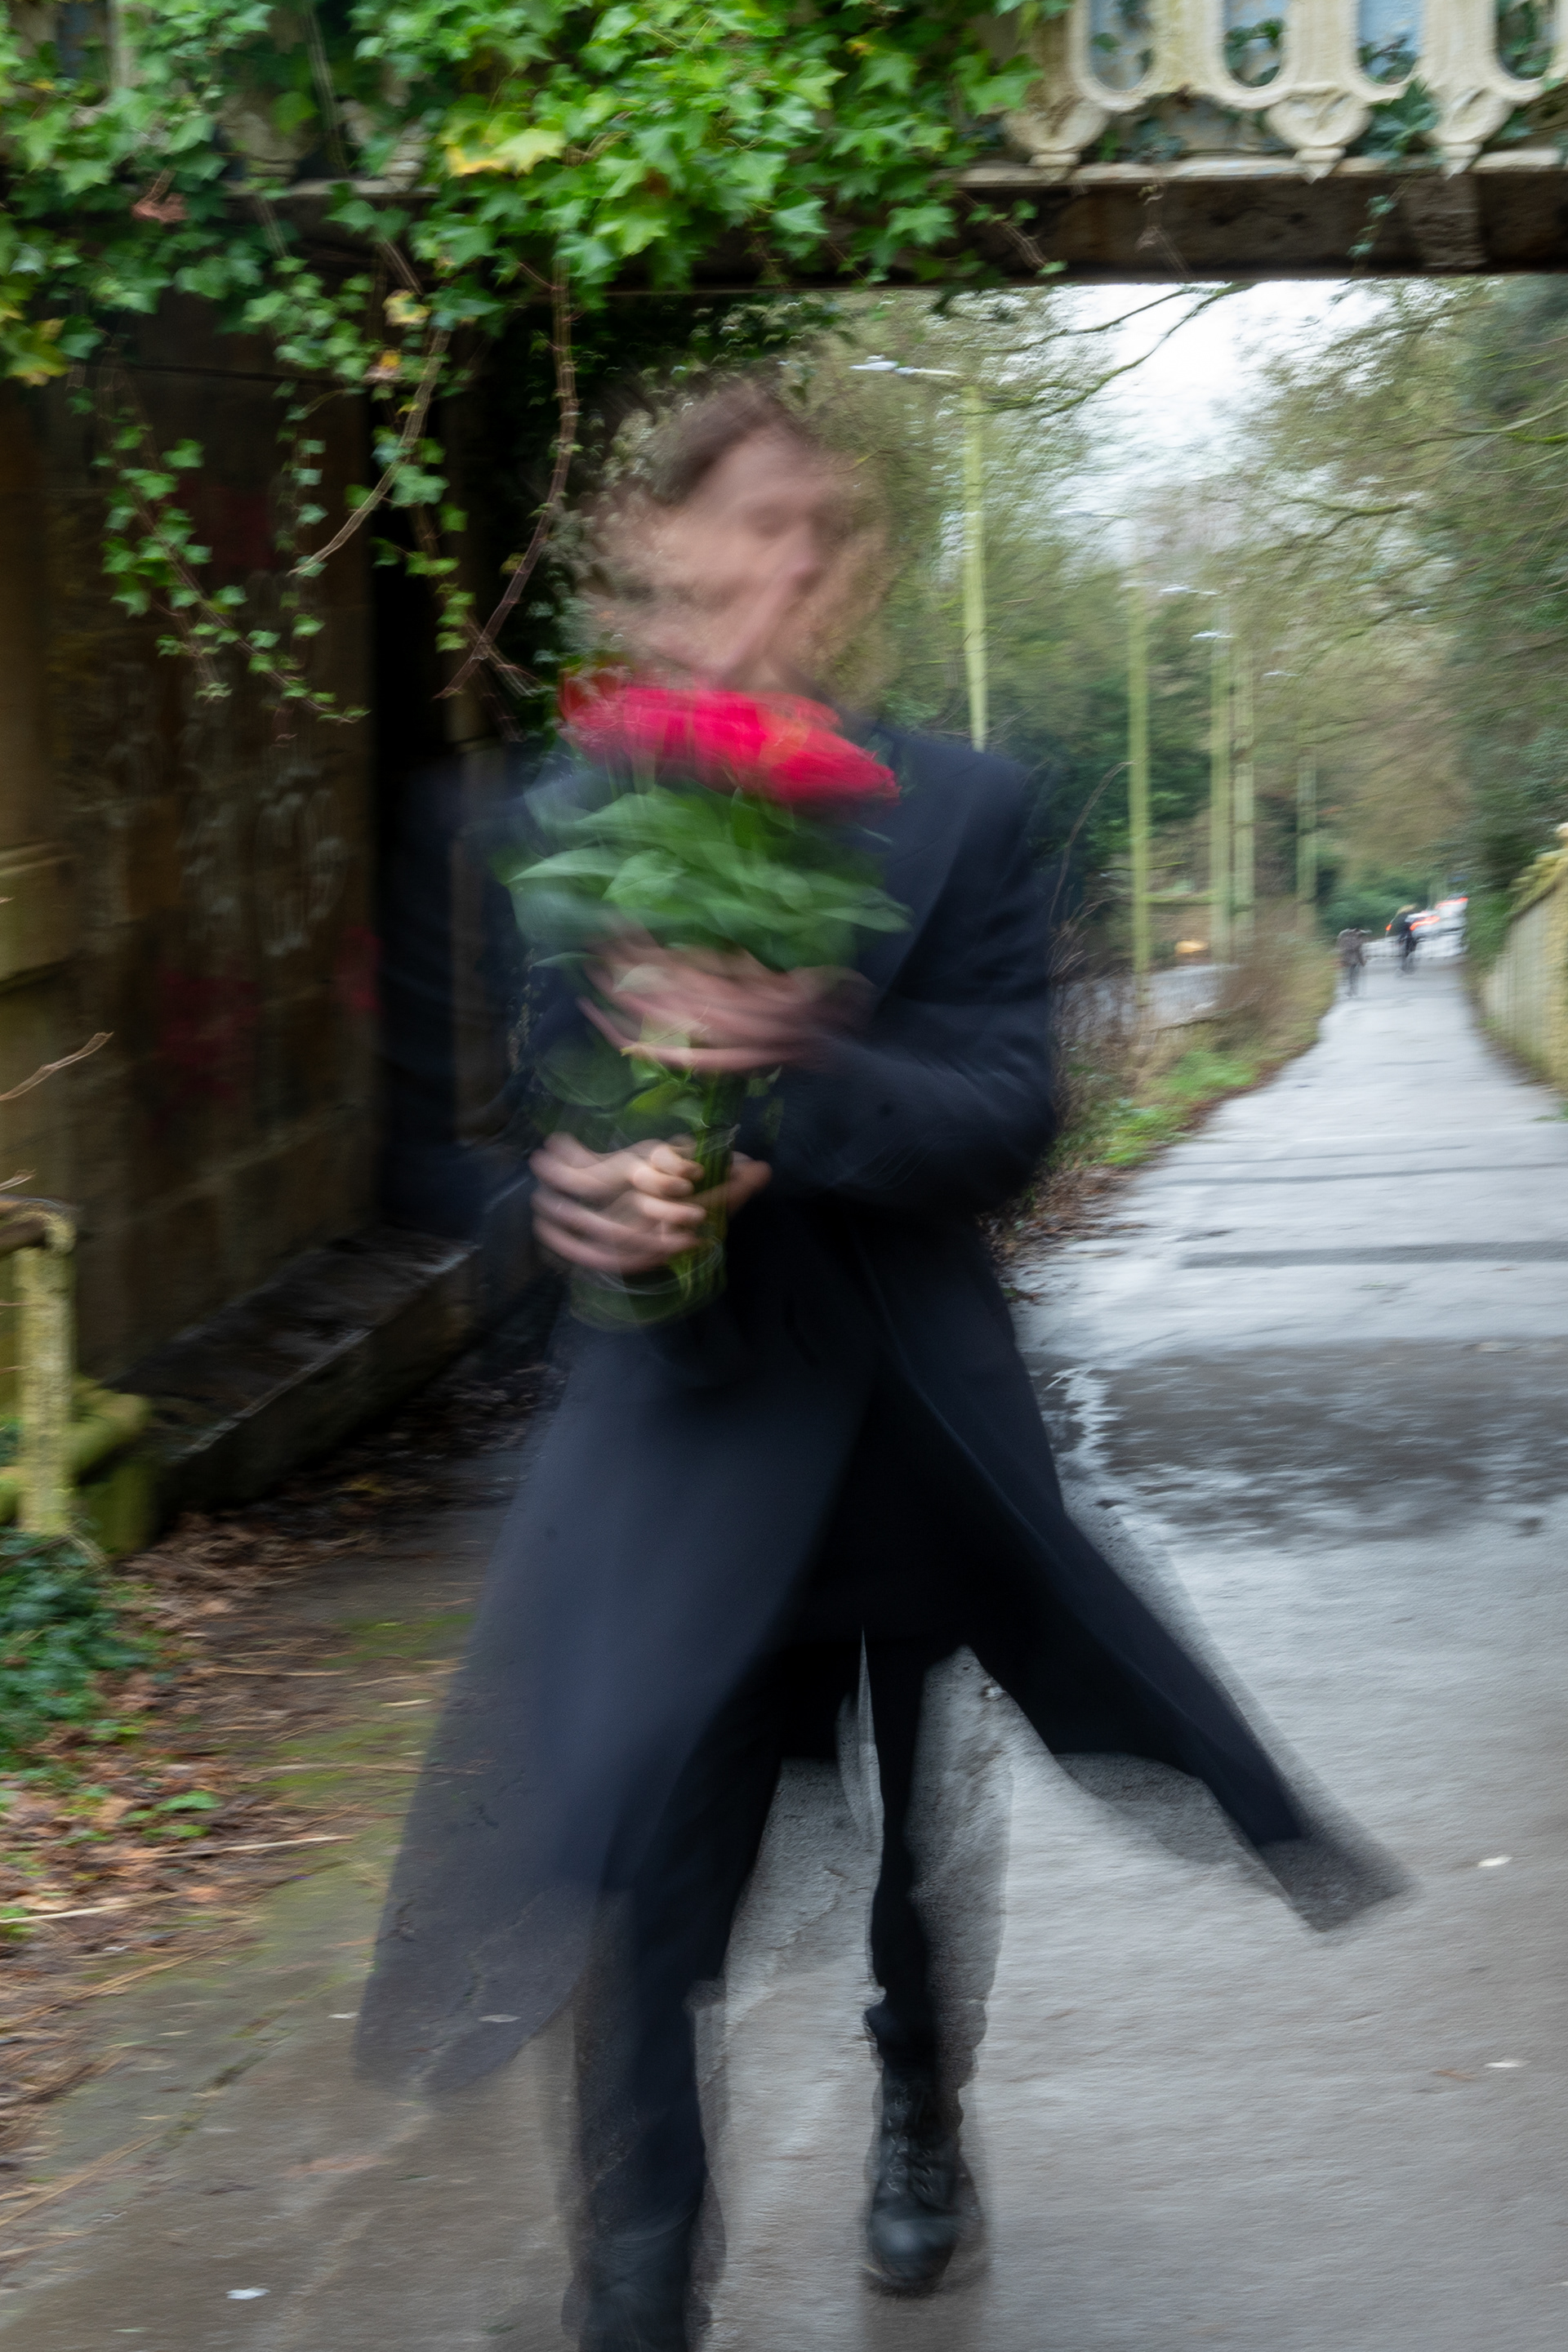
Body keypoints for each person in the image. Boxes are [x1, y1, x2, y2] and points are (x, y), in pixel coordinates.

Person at [356, 384, 1400, 2350]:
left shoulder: (969, 807)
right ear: (650, 556)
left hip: (905, 1447)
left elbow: (1009, 1119)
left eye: (820, 539)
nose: (785, 575)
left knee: (913, 1824)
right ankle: (635, 2289)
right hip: (674, 1439)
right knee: (645, 1867)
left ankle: (921, 2102)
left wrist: (800, 1062)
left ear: (859, 573)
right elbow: (439, 1153)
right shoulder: (528, 820)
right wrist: (560, 1207)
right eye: (744, 536)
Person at [1335, 924, 1367, 995]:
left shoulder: (1345, 938)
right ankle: (1353, 989)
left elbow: (1342, 950)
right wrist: (1362, 961)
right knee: (1353, 975)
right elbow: (1359, 951)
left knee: (1349, 975)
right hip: (1354, 960)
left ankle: (1351, 989)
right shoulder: (1357, 939)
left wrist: (1342, 959)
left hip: (1348, 960)